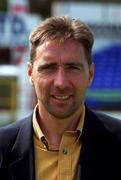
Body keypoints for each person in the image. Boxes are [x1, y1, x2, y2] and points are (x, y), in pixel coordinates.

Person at [0, 16, 121, 180]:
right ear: (30, 74)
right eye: (48, 68)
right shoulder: (2, 147)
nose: (61, 83)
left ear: (90, 74)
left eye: (72, 67)